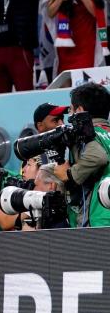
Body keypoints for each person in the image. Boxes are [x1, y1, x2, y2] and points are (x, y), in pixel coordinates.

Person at [53, 82, 110, 227]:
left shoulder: (87, 135)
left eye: (71, 110)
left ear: (80, 110)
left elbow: (98, 157)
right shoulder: (107, 133)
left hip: (98, 219)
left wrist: (69, 174)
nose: (69, 116)